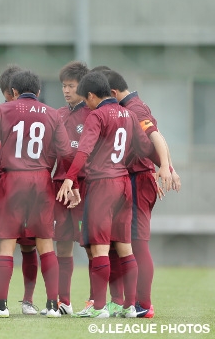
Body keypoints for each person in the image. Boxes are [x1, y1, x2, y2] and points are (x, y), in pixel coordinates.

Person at [57, 72, 163, 319]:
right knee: (125, 247)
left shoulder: (97, 115)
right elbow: (146, 148)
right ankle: (129, 306)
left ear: (92, 95)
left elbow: (84, 150)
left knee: (101, 248)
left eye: (87, 99)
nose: (87, 104)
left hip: (102, 184)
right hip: (125, 184)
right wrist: (164, 166)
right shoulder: (128, 114)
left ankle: (99, 307)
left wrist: (70, 177)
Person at [0, 70, 75, 318]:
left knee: (6, 242)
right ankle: (53, 305)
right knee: (45, 243)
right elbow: (66, 154)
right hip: (42, 180)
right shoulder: (52, 114)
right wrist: (69, 181)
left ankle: (0, 306)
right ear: (38, 92)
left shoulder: (0, 111)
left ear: (14, 92)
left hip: (12, 180)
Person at [103, 69, 179, 318]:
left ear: (112, 93)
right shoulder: (133, 105)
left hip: (137, 180)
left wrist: (166, 168)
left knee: (136, 243)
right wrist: (167, 166)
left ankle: (143, 304)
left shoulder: (134, 109)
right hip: (129, 180)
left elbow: (155, 135)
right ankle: (127, 301)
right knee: (120, 243)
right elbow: (157, 137)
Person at [0, 64, 42, 316]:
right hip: (18, 186)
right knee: (11, 246)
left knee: (10, 246)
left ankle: (10, 303)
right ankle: (10, 301)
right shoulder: (1, 114)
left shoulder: (1, 114)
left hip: (5, 186)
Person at [47, 61, 92, 316]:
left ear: (83, 87)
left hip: (86, 186)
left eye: (71, 86)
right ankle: (63, 301)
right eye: (63, 85)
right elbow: (52, 153)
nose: (66, 90)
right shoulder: (58, 115)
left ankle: (95, 301)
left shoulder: (93, 114)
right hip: (60, 187)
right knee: (62, 244)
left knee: (92, 244)